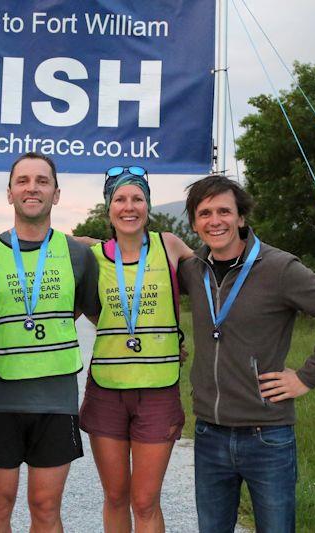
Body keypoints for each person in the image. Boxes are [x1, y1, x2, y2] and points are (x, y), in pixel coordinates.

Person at [179, 175, 315, 532]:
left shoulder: (279, 268)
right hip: (209, 433)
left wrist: (306, 377)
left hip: (267, 435)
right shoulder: (192, 269)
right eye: (204, 213)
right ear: (194, 223)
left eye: (224, 211)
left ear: (241, 218)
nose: (215, 220)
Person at [0, 153, 99, 532]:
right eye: (23, 180)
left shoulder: (78, 253)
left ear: (56, 194)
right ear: (9, 193)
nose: (32, 187)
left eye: (42, 181)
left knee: (45, 507)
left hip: (55, 399)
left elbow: (96, 315)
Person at [79, 166, 192, 533]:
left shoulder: (169, 245)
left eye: (138, 198)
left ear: (148, 205)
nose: (130, 207)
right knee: (115, 498)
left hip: (158, 389)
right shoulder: (92, 256)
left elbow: (216, 281)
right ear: (108, 208)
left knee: (144, 501)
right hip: (107, 390)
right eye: (120, 199)